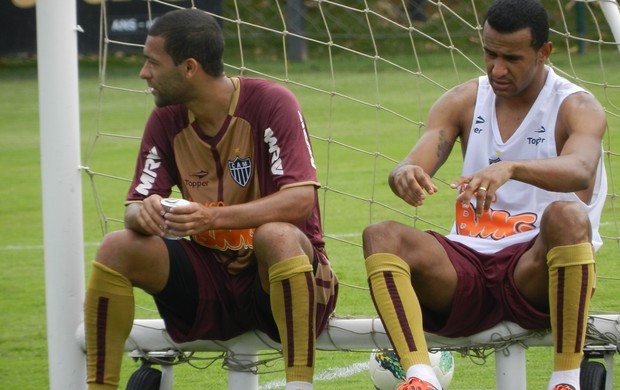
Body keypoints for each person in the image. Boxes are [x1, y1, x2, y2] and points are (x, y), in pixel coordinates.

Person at [83, 9, 338, 390]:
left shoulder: (271, 102)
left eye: (153, 63)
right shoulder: (166, 120)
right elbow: (133, 207)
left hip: (286, 280)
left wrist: (212, 219)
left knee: (276, 236)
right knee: (118, 247)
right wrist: (146, 212)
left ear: (189, 68)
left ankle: (299, 385)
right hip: (212, 281)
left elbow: (300, 200)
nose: (144, 74)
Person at [362, 0, 607, 389]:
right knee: (381, 235)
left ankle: (566, 380)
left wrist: (512, 167)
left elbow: (580, 169)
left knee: (567, 215)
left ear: (544, 52)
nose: (497, 68)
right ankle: (420, 376)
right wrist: (404, 174)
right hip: (468, 265)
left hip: (536, 268)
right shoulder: (463, 99)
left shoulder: (575, 105)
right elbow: (412, 163)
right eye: (490, 53)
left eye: (512, 57)